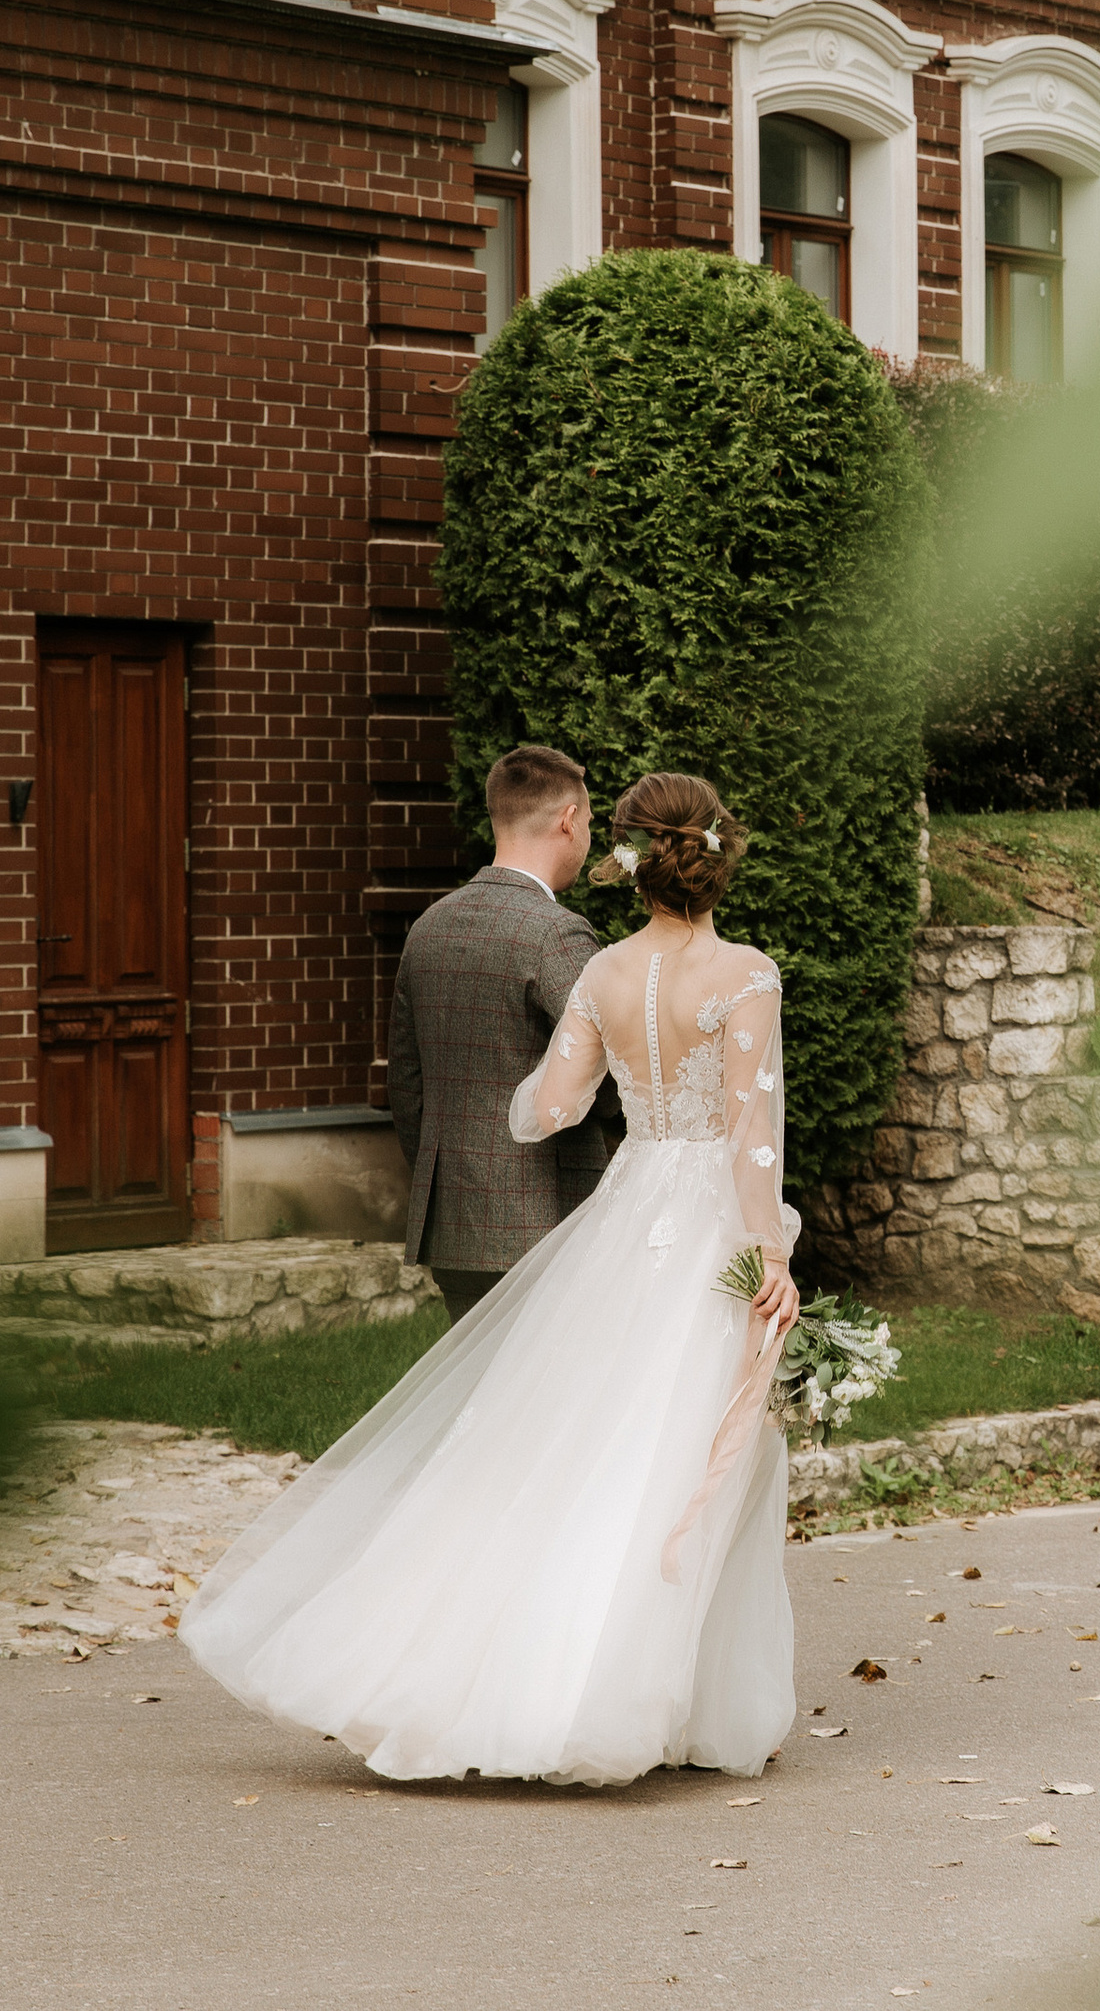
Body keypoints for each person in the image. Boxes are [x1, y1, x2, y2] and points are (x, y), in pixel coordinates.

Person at [181, 772, 804, 1786]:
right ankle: (655, 1698)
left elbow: (546, 1110)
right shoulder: (746, 973)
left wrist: (531, 1089)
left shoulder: (601, 969)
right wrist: (768, 1254)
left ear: (630, 857)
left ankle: (514, 1676)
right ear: (718, 852)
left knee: (574, 1443)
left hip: (622, 1215)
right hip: (702, 1232)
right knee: (690, 1453)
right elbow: (750, 1135)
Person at [389, 745, 620, 1320]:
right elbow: (612, 1079)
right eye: (589, 822)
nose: (588, 836)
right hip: (549, 1218)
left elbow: (407, 1083)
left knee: (476, 1401)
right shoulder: (559, 935)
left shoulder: (429, 927)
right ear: (568, 820)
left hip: (454, 1224)